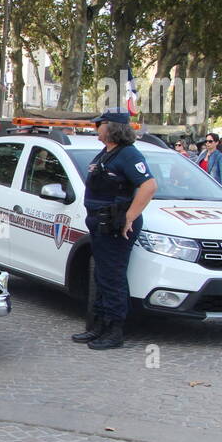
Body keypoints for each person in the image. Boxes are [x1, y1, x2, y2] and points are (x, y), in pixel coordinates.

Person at [70, 109, 157, 350]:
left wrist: (130, 216)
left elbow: (149, 186)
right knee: (102, 276)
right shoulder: (108, 153)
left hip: (115, 224)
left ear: (112, 127)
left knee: (113, 278)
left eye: (100, 124)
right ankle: (99, 326)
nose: (96, 128)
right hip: (100, 222)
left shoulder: (128, 154)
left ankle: (114, 330)